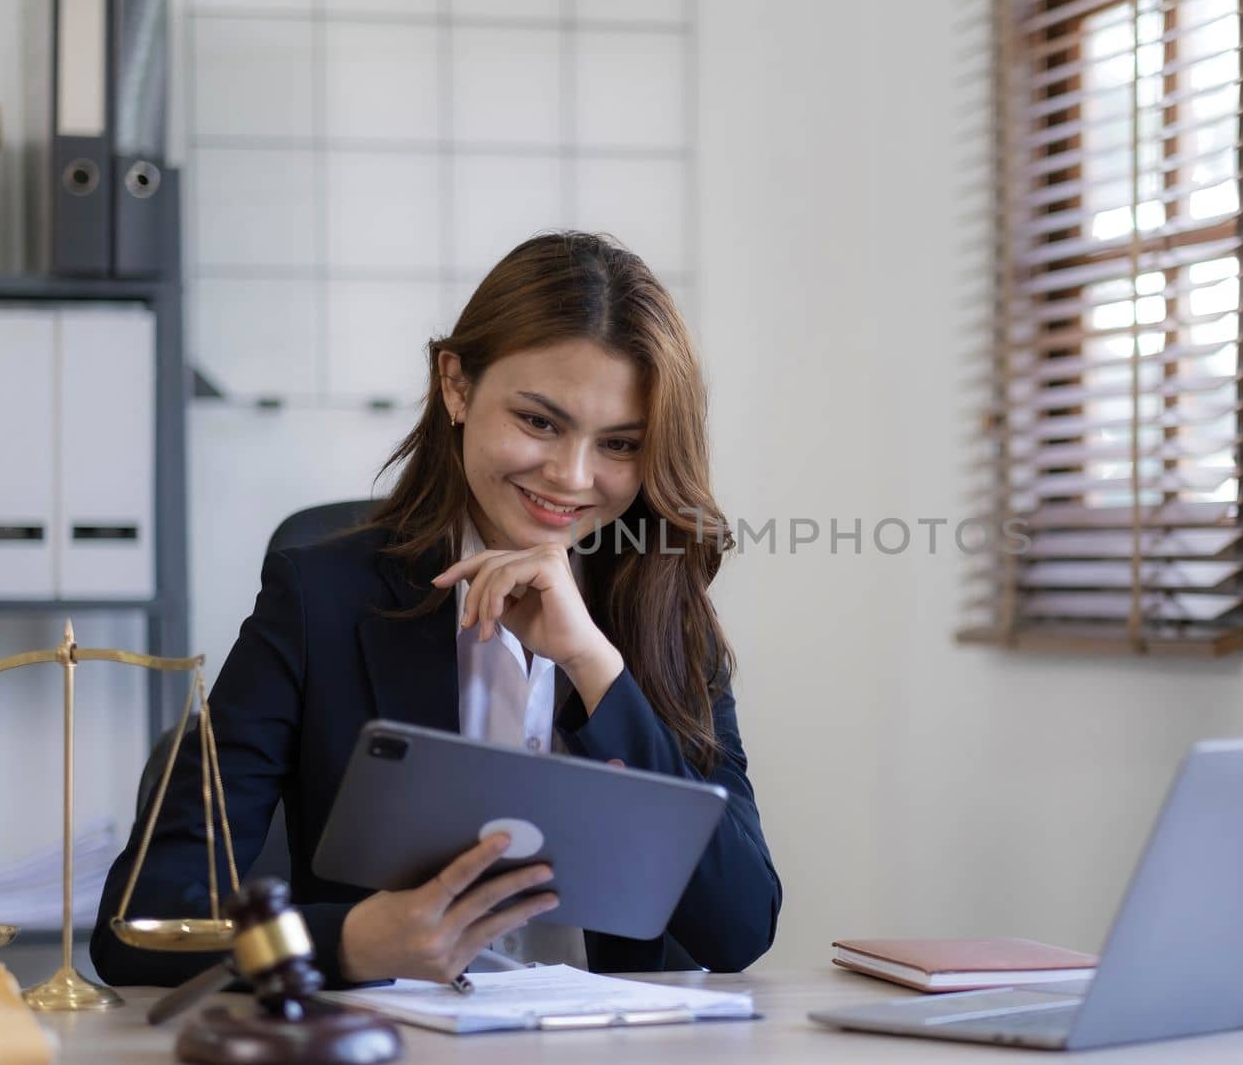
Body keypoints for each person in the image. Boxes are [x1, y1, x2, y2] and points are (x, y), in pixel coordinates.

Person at [91, 231, 781, 988]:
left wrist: (596, 667)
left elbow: (740, 926)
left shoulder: (661, 611)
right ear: (456, 384)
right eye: (540, 422)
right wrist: (347, 941)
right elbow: (142, 923)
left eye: (619, 443)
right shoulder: (317, 598)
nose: (573, 476)